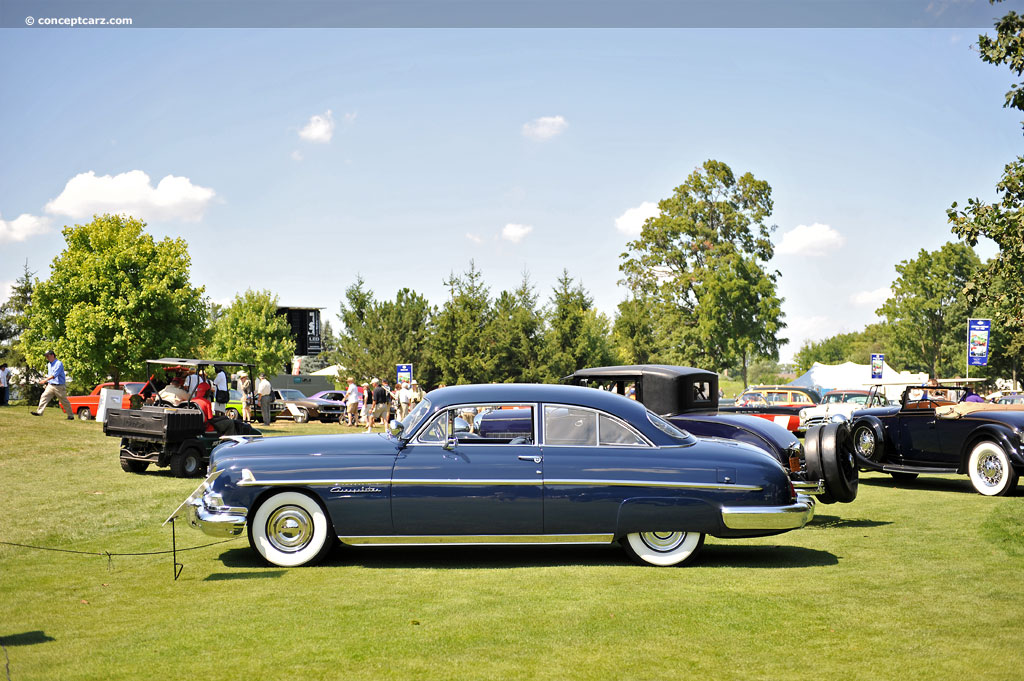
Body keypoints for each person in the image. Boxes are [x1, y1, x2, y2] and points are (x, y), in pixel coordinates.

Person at [32, 350, 74, 419]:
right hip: (51, 385)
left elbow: (54, 375)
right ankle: (39, 412)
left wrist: (45, 380)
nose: (47, 358)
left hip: (59, 387)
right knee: (44, 397)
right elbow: (50, 375)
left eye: (47, 356)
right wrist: (46, 382)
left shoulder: (59, 363)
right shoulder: (49, 364)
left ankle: (70, 415)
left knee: (64, 401)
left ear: (52, 355)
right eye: (46, 356)